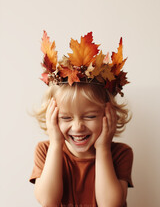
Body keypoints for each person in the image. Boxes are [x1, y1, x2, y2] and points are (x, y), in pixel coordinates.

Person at [29, 31, 133, 207]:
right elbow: (48, 201)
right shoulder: (45, 150)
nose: (77, 127)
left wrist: (103, 149)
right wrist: (55, 144)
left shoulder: (120, 154)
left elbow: (111, 204)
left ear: (108, 114)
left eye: (90, 116)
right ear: (52, 117)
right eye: (66, 117)